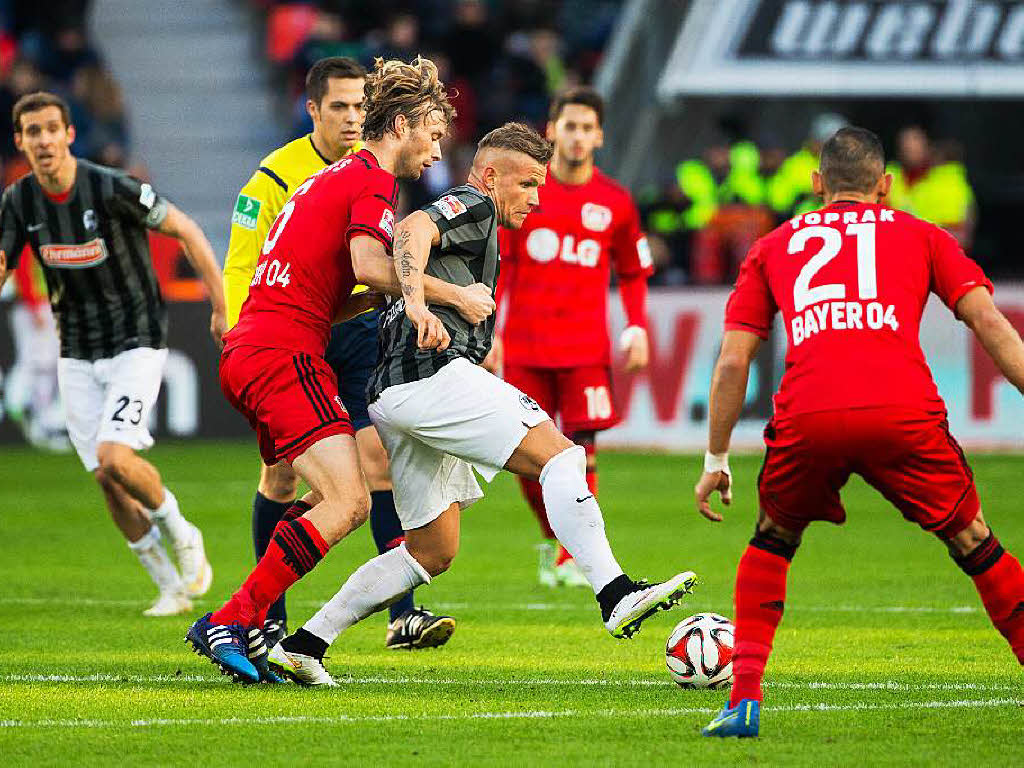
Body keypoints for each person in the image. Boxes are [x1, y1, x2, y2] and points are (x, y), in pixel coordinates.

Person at [267, 122, 697, 686]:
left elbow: (393, 274)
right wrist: (422, 303)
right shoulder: (474, 202)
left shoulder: (477, 225)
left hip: (396, 393)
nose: (537, 198)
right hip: (429, 378)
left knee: (430, 552)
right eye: (528, 184)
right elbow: (414, 229)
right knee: (561, 456)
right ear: (492, 176)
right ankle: (615, 593)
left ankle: (305, 643)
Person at [695, 127, 1024, 738]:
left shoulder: (772, 245)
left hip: (809, 413)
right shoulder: (923, 235)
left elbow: (735, 359)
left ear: (817, 184)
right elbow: (989, 323)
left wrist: (716, 455)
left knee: (772, 539)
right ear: (886, 186)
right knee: (975, 542)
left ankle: (743, 703)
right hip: (902, 412)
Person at [185, 57, 494, 684]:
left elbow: (336, 283)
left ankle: (248, 621)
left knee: (325, 495)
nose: (437, 149)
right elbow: (370, 264)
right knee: (351, 499)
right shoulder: (372, 181)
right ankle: (234, 620)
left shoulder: (334, 176)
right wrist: (451, 295)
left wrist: (388, 299)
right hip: (283, 354)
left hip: (260, 350)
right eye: (433, 133)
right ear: (402, 124)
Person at [0, 91, 223, 616]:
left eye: (52, 129)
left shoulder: (111, 188)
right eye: (33, 132)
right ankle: (169, 585)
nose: (44, 140)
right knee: (105, 476)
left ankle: (180, 527)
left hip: (136, 341)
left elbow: (186, 228)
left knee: (115, 457)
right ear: (20, 142)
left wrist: (219, 306)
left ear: (69, 134)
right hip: (75, 349)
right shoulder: (20, 200)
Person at [488, 87, 653, 587]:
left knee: (581, 452)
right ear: (551, 130)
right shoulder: (527, 193)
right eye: (569, 126)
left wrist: (638, 328)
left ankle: (573, 556)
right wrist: (490, 332)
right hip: (526, 346)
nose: (578, 136)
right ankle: (555, 539)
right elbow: (502, 269)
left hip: (584, 349)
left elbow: (633, 270)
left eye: (587, 127)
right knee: (525, 457)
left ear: (599, 135)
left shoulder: (616, 203)